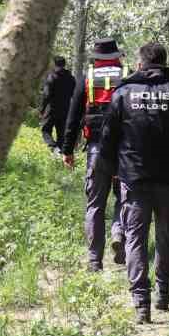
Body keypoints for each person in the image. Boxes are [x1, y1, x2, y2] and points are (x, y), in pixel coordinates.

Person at [99, 40, 169, 323]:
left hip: (133, 179)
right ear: (165, 63)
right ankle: (164, 294)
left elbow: (108, 137)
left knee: (135, 238)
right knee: (166, 236)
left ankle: (141, 303)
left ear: (140, 64)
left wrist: (109, 170)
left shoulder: (122, 94)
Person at [62, 39, 126, 270]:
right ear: (117, 56)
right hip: (123, 149)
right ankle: (119, 233)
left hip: (96, 149)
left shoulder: (87, 79)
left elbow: (72, 117)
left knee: (95, 203)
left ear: (96, 58)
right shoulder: (127, 76)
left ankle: (94, 260)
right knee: (125, 197)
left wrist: (68, 150)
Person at [37, 56, 75, 151]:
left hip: (52, 109)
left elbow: (46, 95)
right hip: (65, 109)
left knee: (45, 130)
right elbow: (73, 94)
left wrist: (41, 110)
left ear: (54, 64)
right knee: (61, 133)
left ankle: (53, 148)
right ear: (64, 64)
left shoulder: (52, 77)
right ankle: (60, 151)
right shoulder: (71, 78)